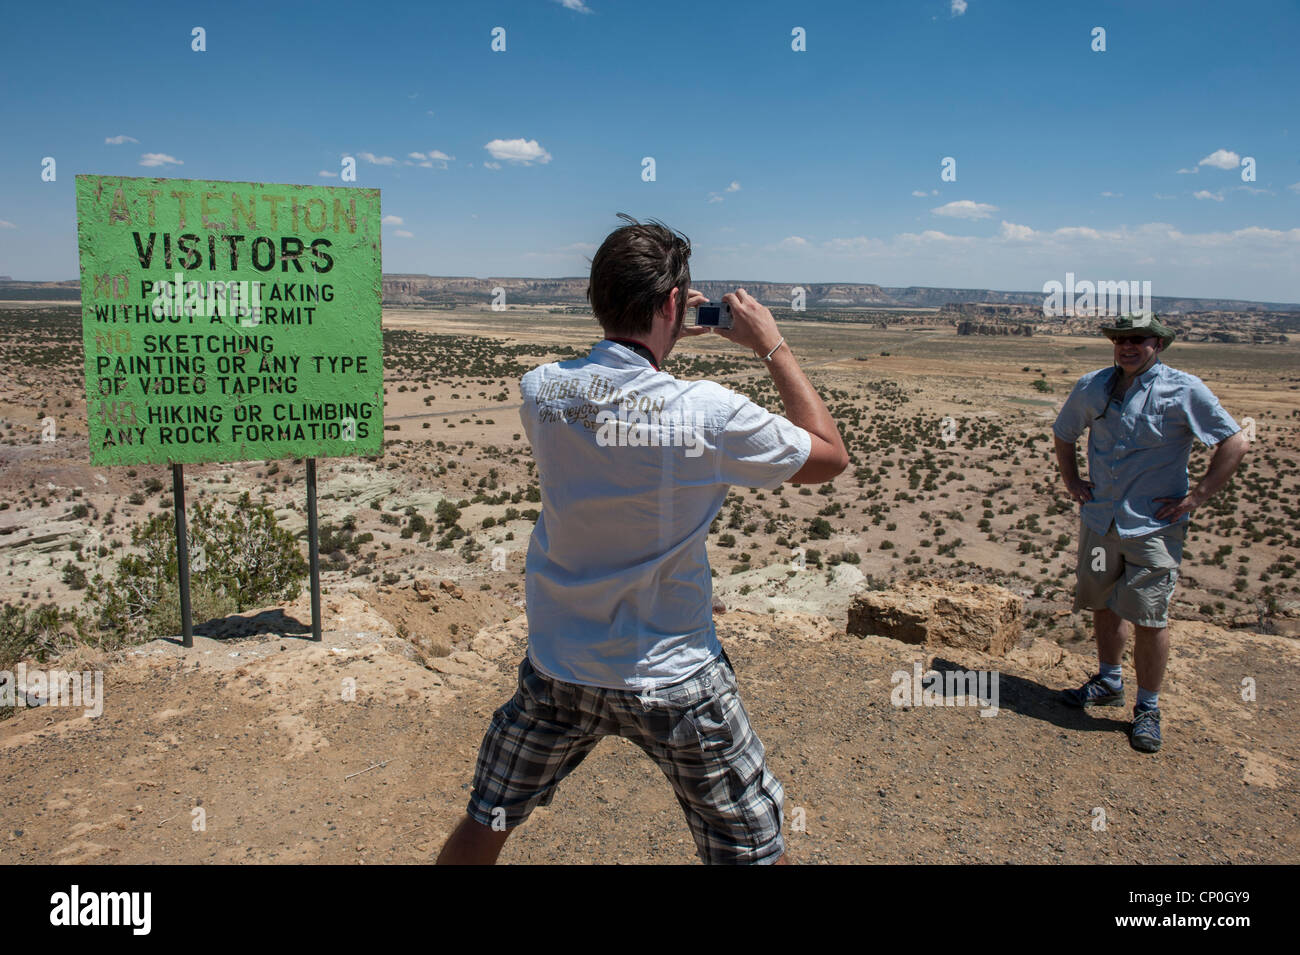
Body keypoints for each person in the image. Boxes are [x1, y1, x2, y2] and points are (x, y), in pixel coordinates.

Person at [435, 214, 848, 864]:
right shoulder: (707, 412)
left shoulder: (541, 391)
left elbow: (602, 396)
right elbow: (829, 456)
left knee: (486, 820)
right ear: (675, 306)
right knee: (756, 850)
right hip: (675, 676)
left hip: (560, 666)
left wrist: (659, 326)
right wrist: (772, 345)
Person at [1052, 313, 1248, 753]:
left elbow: (1234, 441)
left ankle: (1148, 708)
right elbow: (1063, 433)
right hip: (1101, 519)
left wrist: (1197, 496)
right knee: (1103, 602)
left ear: (1157, 343)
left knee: (1149, 616)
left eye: (1137, 339)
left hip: (1154, 528)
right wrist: (1072, 481)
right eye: (1120, 339)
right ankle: (1108, 681)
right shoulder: (1092, 386)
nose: (1126, 346)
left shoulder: (1184, 388)